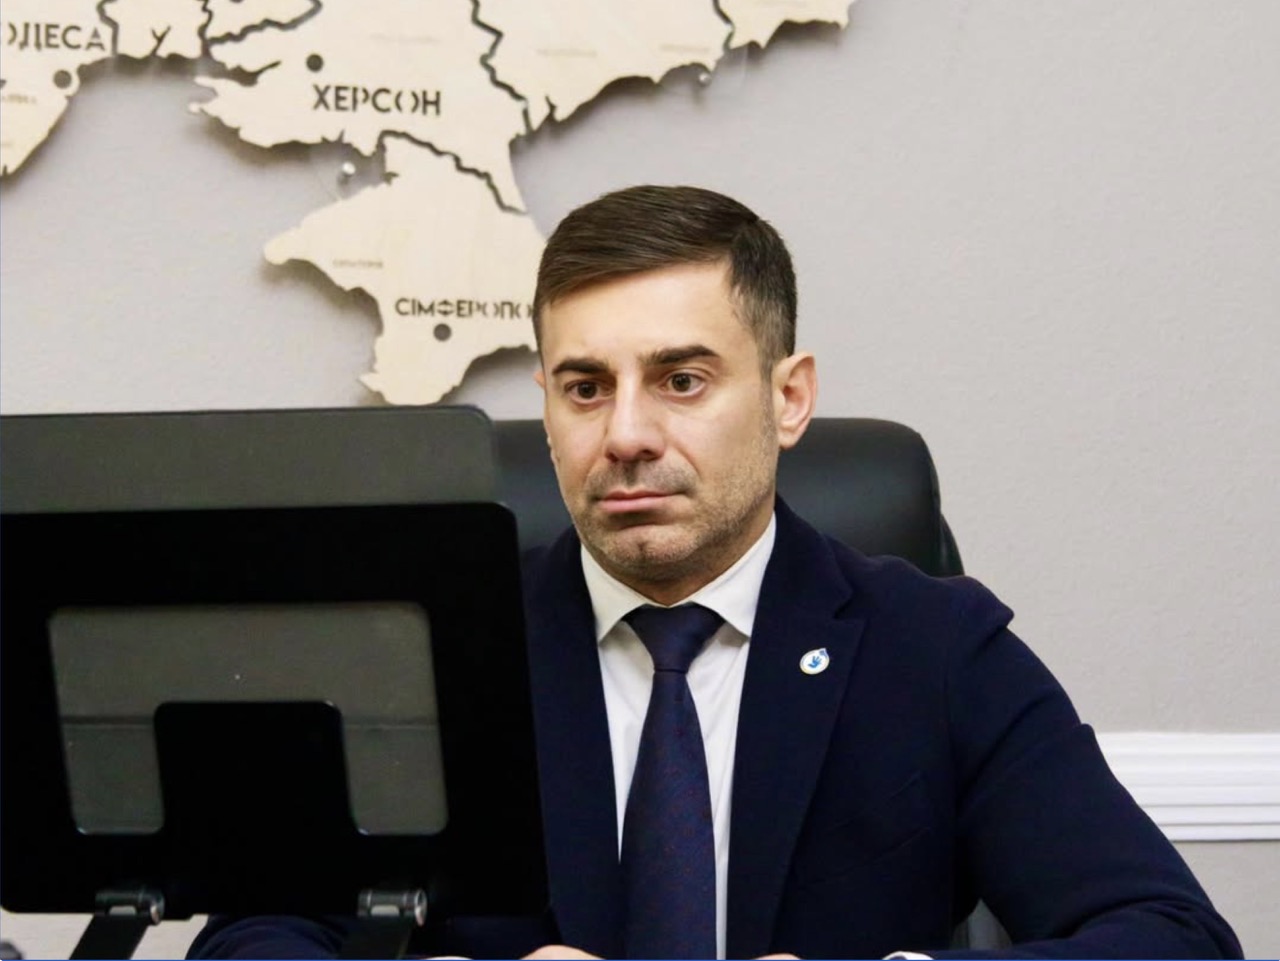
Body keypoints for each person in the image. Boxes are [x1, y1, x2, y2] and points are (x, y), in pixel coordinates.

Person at [192, 185, 1241, 959]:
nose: (627, 434)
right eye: (584, 386)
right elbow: (253, 937)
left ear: (788, 398)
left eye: (681, 379)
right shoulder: (431, 653)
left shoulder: (934, 648)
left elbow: (1168, 935)